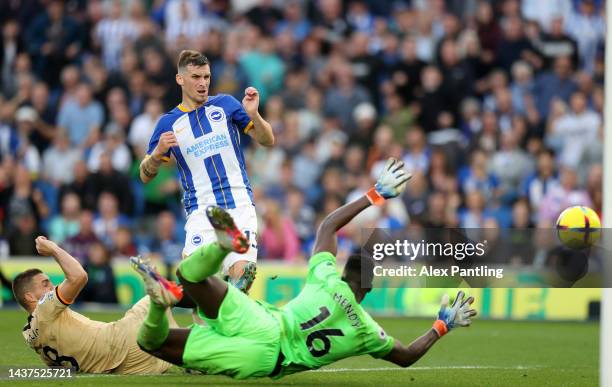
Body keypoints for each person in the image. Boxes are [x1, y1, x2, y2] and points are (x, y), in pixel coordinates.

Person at [131, 158, 477, 379]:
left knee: (190, 278)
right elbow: (406, 357)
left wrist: (374, 194)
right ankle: (163, 303)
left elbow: (327, 226)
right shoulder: (367, 331)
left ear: (343, 271)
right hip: (266, 358)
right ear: (366, 291)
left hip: (261, 319)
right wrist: (441, 325)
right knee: (154, 345)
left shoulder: (326, 278)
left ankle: (220, 248)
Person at [139, 49, 274, 292]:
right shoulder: (168, 123)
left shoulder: (227, 105)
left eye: (206, 77)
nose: (203, 84)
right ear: (180, 79)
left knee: (242, 276)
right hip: (201, 211)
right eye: (196, 77)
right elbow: (145, 175)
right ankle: (187, 302)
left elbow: (267, 140)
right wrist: (158, 154)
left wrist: (254, 114)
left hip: (239, 205)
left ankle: (224, 308)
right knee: (196, 287)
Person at [12, 236, 177, 374]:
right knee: (164, 296)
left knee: (175, 351)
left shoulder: (30, 333)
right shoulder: (45, 308)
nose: (52, 287)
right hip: (122, 342)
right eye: (45, 284)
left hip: (123, 366)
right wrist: (53, 248)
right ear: (29, 297)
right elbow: (79, 276)